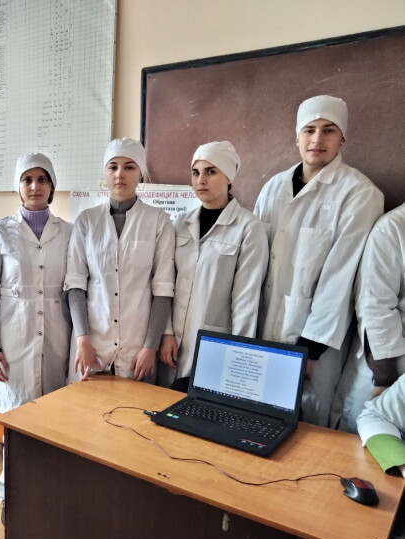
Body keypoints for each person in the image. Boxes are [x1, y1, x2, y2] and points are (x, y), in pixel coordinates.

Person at [254, 95, 384, 426]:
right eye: (309, 130)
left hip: (314, 342)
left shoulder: (359, 193)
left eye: (328, 130)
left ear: (343, 138)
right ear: (296, 137)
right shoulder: (272, 188)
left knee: (306, 424)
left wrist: (310, 350)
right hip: (261, 329)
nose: (317, 139)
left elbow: (340, 279)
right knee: (255, 419)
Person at [0, 152, 73, 521]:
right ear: (18, 187)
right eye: (27, 180)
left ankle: (51, 496)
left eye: (42, 179)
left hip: (57, 339)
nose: (35, 186)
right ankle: (11, 498)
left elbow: (76, 289)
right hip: (12, 343)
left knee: (54, 423)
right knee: (16, 428)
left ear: (52, 186)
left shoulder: (69, 231)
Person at [159, 141, 268, 391]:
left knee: (202, 404)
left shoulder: (248, 228)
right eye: (195, 172)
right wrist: (166, 332)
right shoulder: (181, 223)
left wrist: (237, 358)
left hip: (216, 346)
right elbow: (166, 282)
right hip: (171, 345)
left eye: (211, 172)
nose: (201, 180)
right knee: (164, 403)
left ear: (228, 177)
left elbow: (246, 301)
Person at [64, 137, 175, 383]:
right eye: (113, 167)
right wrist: (82, 338)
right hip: (92, 344)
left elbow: (163, 288)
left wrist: (150, 346)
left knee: (134, 406)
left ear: (141, 173)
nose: (119, 174)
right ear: (105, 172)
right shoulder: (87, 221)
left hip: (138, 348)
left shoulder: (158, 221)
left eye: (129, 167)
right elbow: (75, 284)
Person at [331, 202, 405, 432]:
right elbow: (374, 307)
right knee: (367, 441)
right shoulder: (393, 228)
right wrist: (384, 379)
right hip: (385, 371)